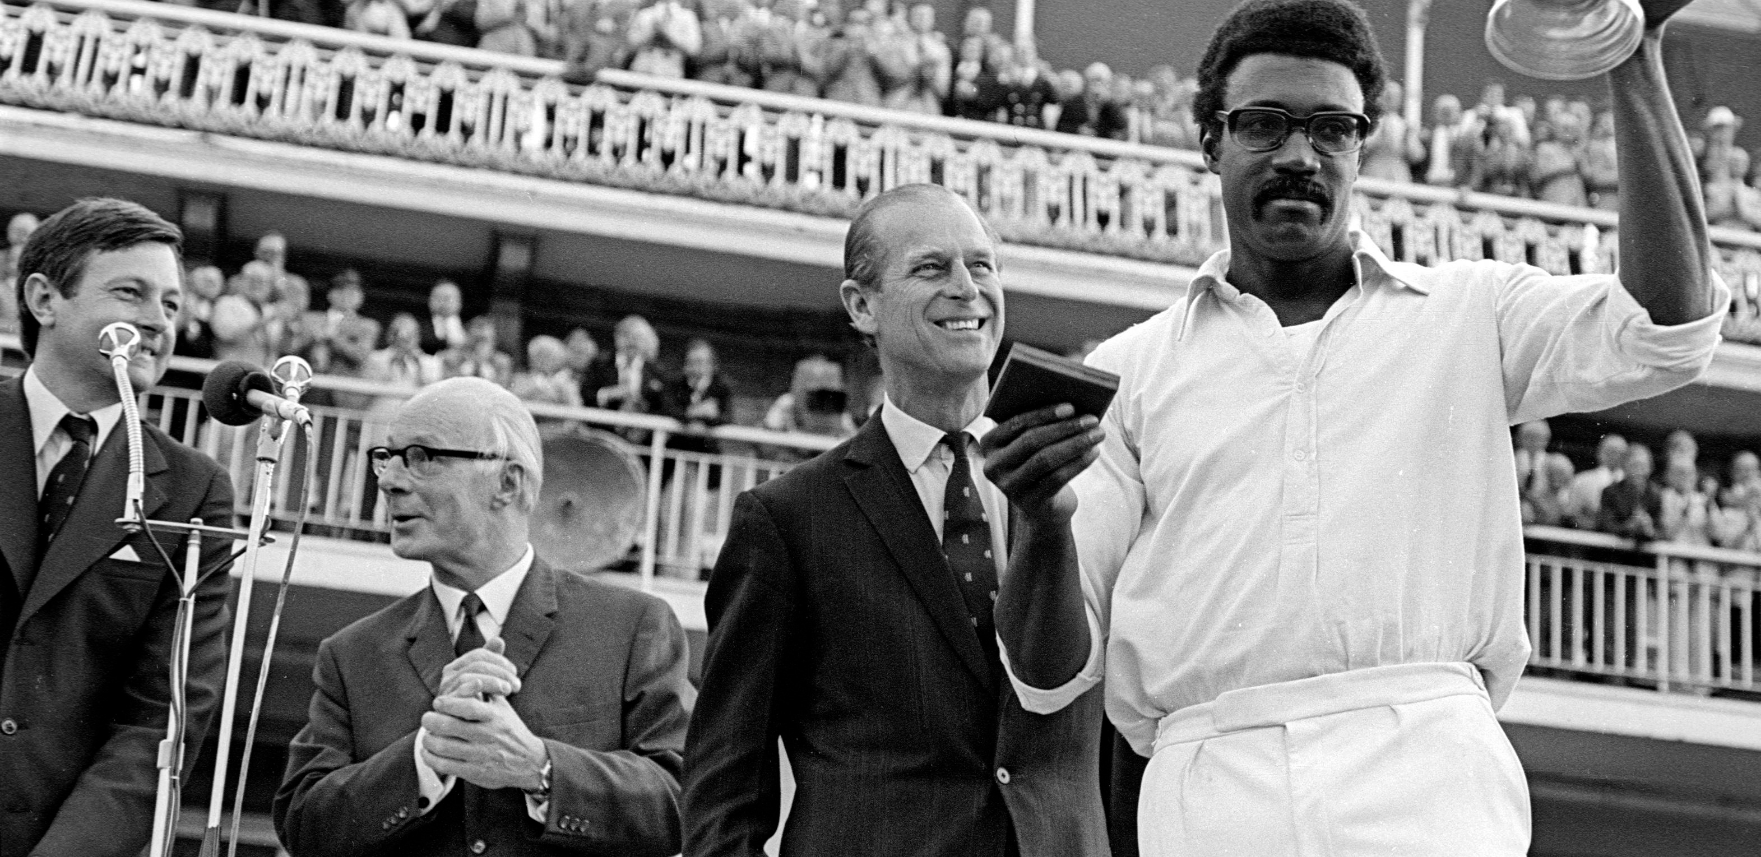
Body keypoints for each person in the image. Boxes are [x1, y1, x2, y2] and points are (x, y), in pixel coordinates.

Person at [993, 0, 1728, 857]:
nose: (1299, 155)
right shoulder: (1128, 372)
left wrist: (1635, 50)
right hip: (1208, 776)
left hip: (1426, 760)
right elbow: (1048, 674)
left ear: (1361, 147)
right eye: (1263, 125)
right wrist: (1042, 525)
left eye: (1331, 129)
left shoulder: (1469, 313)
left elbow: (1668, 330)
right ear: (1208, 142)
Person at [684, 184, 1110, 857]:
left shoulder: (1085, 483)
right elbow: (723, 787)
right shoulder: (788, 520)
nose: (968, 289)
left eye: (983, 265)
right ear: (862, 305)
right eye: (931, 268)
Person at [273, 379, 693, 856]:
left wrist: (540, 768)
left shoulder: (632, 627)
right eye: (385, 457)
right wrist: (424, 758)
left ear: (507, 482)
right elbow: (304, 825)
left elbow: (689, 800)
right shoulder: (351, 655)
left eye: (422, 457)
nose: (389, 479)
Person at [0, 198, 237, 854]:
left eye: (169, 304)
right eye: (130, 293)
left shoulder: (197, 491)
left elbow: (161, 716)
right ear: (45, 300)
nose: (158, 321)